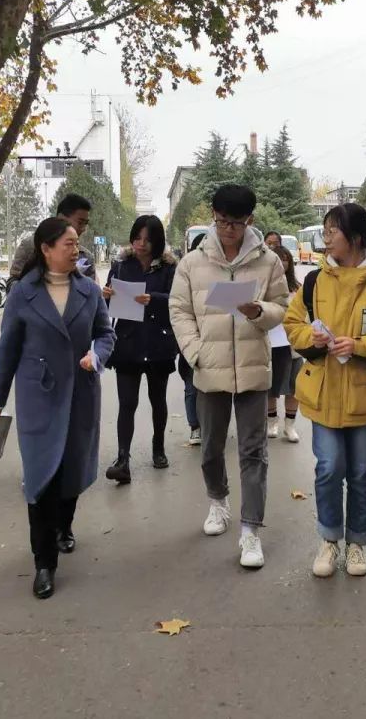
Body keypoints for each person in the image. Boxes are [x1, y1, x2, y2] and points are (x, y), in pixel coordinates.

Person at [284, 204, 366, 578]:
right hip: (324, 391)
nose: (325, 239)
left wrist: (359, 345)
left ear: (355, 237)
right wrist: (308, 337)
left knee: (360, 471)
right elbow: (292, 322)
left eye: (332, 231)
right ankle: (329, 539)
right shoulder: (315, 280)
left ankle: (357, 543)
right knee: (328, 468)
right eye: (324, 231)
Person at [0, 217, 116, 599]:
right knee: (41, 478)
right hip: (37, 397)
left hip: (80, 392)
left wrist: (96, 355)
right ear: (46, 249)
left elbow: (105, 334)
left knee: (71, 469)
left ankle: (64, 524)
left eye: (77, 244)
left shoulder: (88, 290)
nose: (76, 250)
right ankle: (44, 563)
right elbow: (7, 349)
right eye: (68, 244)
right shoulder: (22, 293)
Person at [169, 184, 289, 569]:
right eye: (222, 222)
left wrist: (259, 312)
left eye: (236, 223)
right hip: (209, 367)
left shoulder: (268, 261)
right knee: (211, 447)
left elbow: (282, 305)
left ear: (249, 220)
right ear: (214, 216)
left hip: (253, 367)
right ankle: (218, 500)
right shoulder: (193, 262)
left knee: (254, 451)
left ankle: (251, 530)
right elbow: (179, 310)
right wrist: (195, 351)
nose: (228, 230)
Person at [102, 215, 178, 483]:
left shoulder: (169, 268)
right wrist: (106, 296)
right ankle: (122, 458)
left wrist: (153, 299)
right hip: (128, 341)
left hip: (158, 342)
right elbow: (108, 303)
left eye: (147, 239)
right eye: (137, 238)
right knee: (127, 402)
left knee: (158, 399)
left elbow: (178, 301)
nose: (141, 244)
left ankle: (159, 447)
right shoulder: (121, 266)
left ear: (158, 242)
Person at [8, 194, 96, 283]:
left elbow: (91, 288)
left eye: (85, 223)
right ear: (61, 218)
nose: (83, 229)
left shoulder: (86, 257)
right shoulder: (30, 246)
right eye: (80, 223)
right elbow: (13, 280)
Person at [267, 246, 303, 443]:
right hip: (271, 343)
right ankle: (272, 421)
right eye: (278, 259)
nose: (282, 263)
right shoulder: (265, 286)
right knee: (270, 387)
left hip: (292, 345)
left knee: (294, 387)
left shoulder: (298, 288)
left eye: (285, 259)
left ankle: (290, 425)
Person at [176, 232, 206, 446]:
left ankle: (210, 426)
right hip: (191, 340)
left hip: (217, 341)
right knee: (191, 386)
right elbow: (177, 310)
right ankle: (195, 426)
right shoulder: (184, 274)